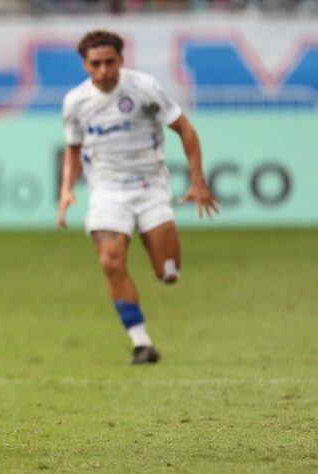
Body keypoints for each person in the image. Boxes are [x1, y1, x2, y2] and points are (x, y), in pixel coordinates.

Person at [57, 30, 219, 364]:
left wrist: (198, 180)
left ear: (121, 59)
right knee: (110, 260)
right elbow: (73, 151)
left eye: (109, 62)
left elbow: (185, 129)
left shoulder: (144, 88)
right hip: (107, 190)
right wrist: (66, 190)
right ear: (85, 64)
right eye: (96, 64)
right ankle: (141, 343)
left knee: (168, 273)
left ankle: (158, 251)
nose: (103, 70)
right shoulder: (75, 102)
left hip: (150, 187)